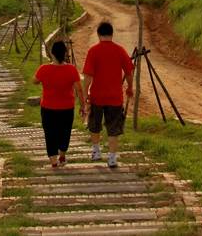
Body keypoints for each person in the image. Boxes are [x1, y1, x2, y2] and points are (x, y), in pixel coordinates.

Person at [83, 20, 134, 169]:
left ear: (98, 34)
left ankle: (96, 151)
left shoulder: (93, 51)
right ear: (112, 34)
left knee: (94, 124)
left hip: (97, 96)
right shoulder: (120, 50)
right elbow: (129, 72)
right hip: (115, 97)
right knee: (113, 127)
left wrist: (86, 93)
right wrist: (130, 87)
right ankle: (112, 158)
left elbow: (87, 76)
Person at [34, 40, 85, 168]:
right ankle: (62, 155)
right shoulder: (71, 69)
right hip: (67, 108)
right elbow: (79, 89)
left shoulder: (44, 69)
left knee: (50, 133)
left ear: (52, 53)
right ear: (65, 53)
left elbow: (35, 81)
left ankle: (53, 161)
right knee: (65, 132)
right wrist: (83, 106)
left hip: (48, 108)